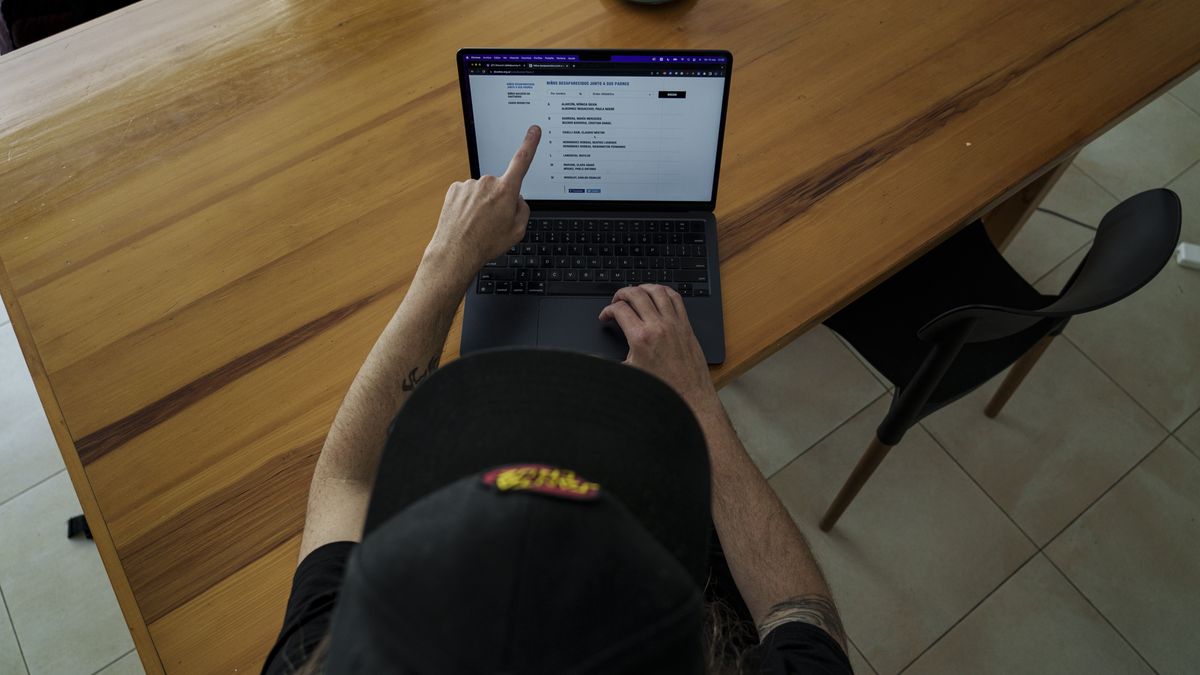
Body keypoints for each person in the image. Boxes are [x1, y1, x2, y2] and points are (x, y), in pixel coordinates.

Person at [261, 125, 853, 674]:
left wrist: (447, 259)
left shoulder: (324, 658)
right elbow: (801, 613)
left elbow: (348, 478)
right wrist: (694, 399)